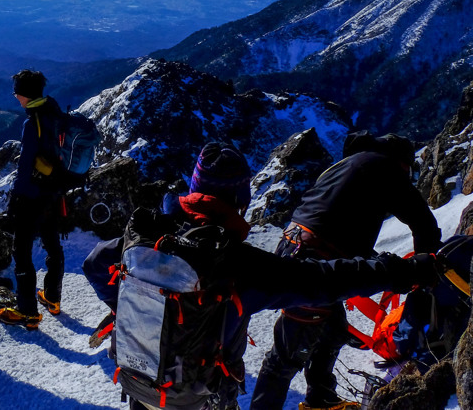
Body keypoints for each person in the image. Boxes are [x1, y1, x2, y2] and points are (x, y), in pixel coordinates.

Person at [83, 142, 439, 410]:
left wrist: (125, 307)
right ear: (240, 197)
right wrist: (402, 270)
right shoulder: (237, 263)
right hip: (200, 394)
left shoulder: (143, 238)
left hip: (139, 381)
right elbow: (324, 280)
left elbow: (95, 263)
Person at [250, 132, 442, 410]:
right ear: (402, 162)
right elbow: (423, 222)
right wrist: (428, 270)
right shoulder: (387, 168)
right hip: (318, 257)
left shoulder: (349, 164)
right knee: (286, 355)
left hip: (295, 246)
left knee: (334, 329)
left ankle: (321, 396)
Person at [0, 69, 69, 330]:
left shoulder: (32, 123)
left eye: (17, 92)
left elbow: (26, 164)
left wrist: (16, 198)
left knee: (22, 251)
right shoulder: (55, 112)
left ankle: (27, 311)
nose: (15, 96)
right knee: (52, 243)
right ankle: (52, 297)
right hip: (55, 192)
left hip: (34, 195)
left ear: (24, 94)